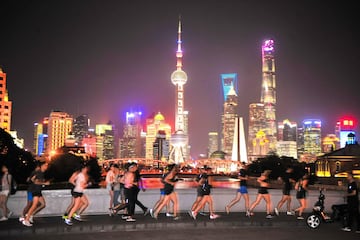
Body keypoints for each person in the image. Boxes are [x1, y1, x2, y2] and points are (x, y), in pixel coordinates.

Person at [21, 161, 50, 227]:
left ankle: (30, 215)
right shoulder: (39, 172)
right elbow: (36, 182)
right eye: (45, 165)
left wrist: (43, 182)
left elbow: (31, 180)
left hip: (38, 190)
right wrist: (44, 183)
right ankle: (26, 219)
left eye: (47, 166)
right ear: (41, 166)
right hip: (35, 190)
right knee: (34, 205)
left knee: (43, 204)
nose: (46, 167)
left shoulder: (41, 173)